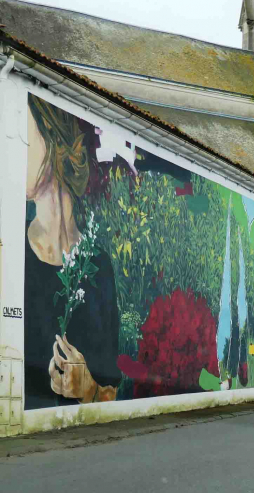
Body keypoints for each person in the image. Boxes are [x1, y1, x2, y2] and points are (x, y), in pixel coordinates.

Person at [24, 95, 120, 409]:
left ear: (54, 141)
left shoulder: (99, 266)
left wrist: (87, 387)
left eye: (24, 135)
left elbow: (110, 395)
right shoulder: (8, 249)